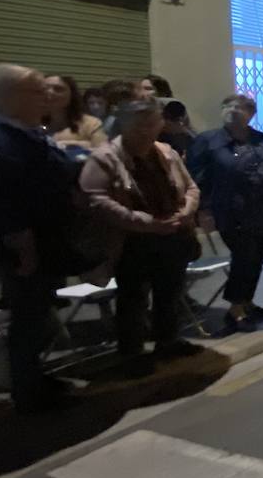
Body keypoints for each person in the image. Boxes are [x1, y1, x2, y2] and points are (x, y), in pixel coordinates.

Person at [0, 65, 79, 412]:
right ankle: (29, 393)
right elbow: (2, 203)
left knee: (38, 316)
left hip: (41, 241)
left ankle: (35, 378)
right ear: (8, 97)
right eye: (37, 91)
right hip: (20, 250)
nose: (47, 97)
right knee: (28, 320)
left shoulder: (22, 131)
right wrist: (24, 248)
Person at [79, 99, 200, 373]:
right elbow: (96, 199)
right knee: (133, 296)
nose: (146, 130)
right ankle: (132, 352)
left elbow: (191, 187)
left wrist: (186, 211)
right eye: (139, 125)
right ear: (123, 124)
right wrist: (143, 222)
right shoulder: (105, 157)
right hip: (132, 239)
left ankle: (168, 341)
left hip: (171, 234)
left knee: (170, 291)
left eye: (152, 123)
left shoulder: (166, 152)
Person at [187, 94, 263, 333]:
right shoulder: (209, 141)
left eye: (239, 106)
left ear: (251, 113)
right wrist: (202, 210)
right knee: (244, 257)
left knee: (259, 256)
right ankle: (235, 309)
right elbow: (197, 178)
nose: (233, 110)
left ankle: (247, 301)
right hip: (230, 211)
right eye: (228, 106)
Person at [43, 74, 106, 155]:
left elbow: (103, 151)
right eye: (44, 89)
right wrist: (85, 144)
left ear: (72, 95)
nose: (50, 92)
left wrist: (67, 143)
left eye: (58, 89)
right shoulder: (32, 122)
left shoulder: (90, 124)